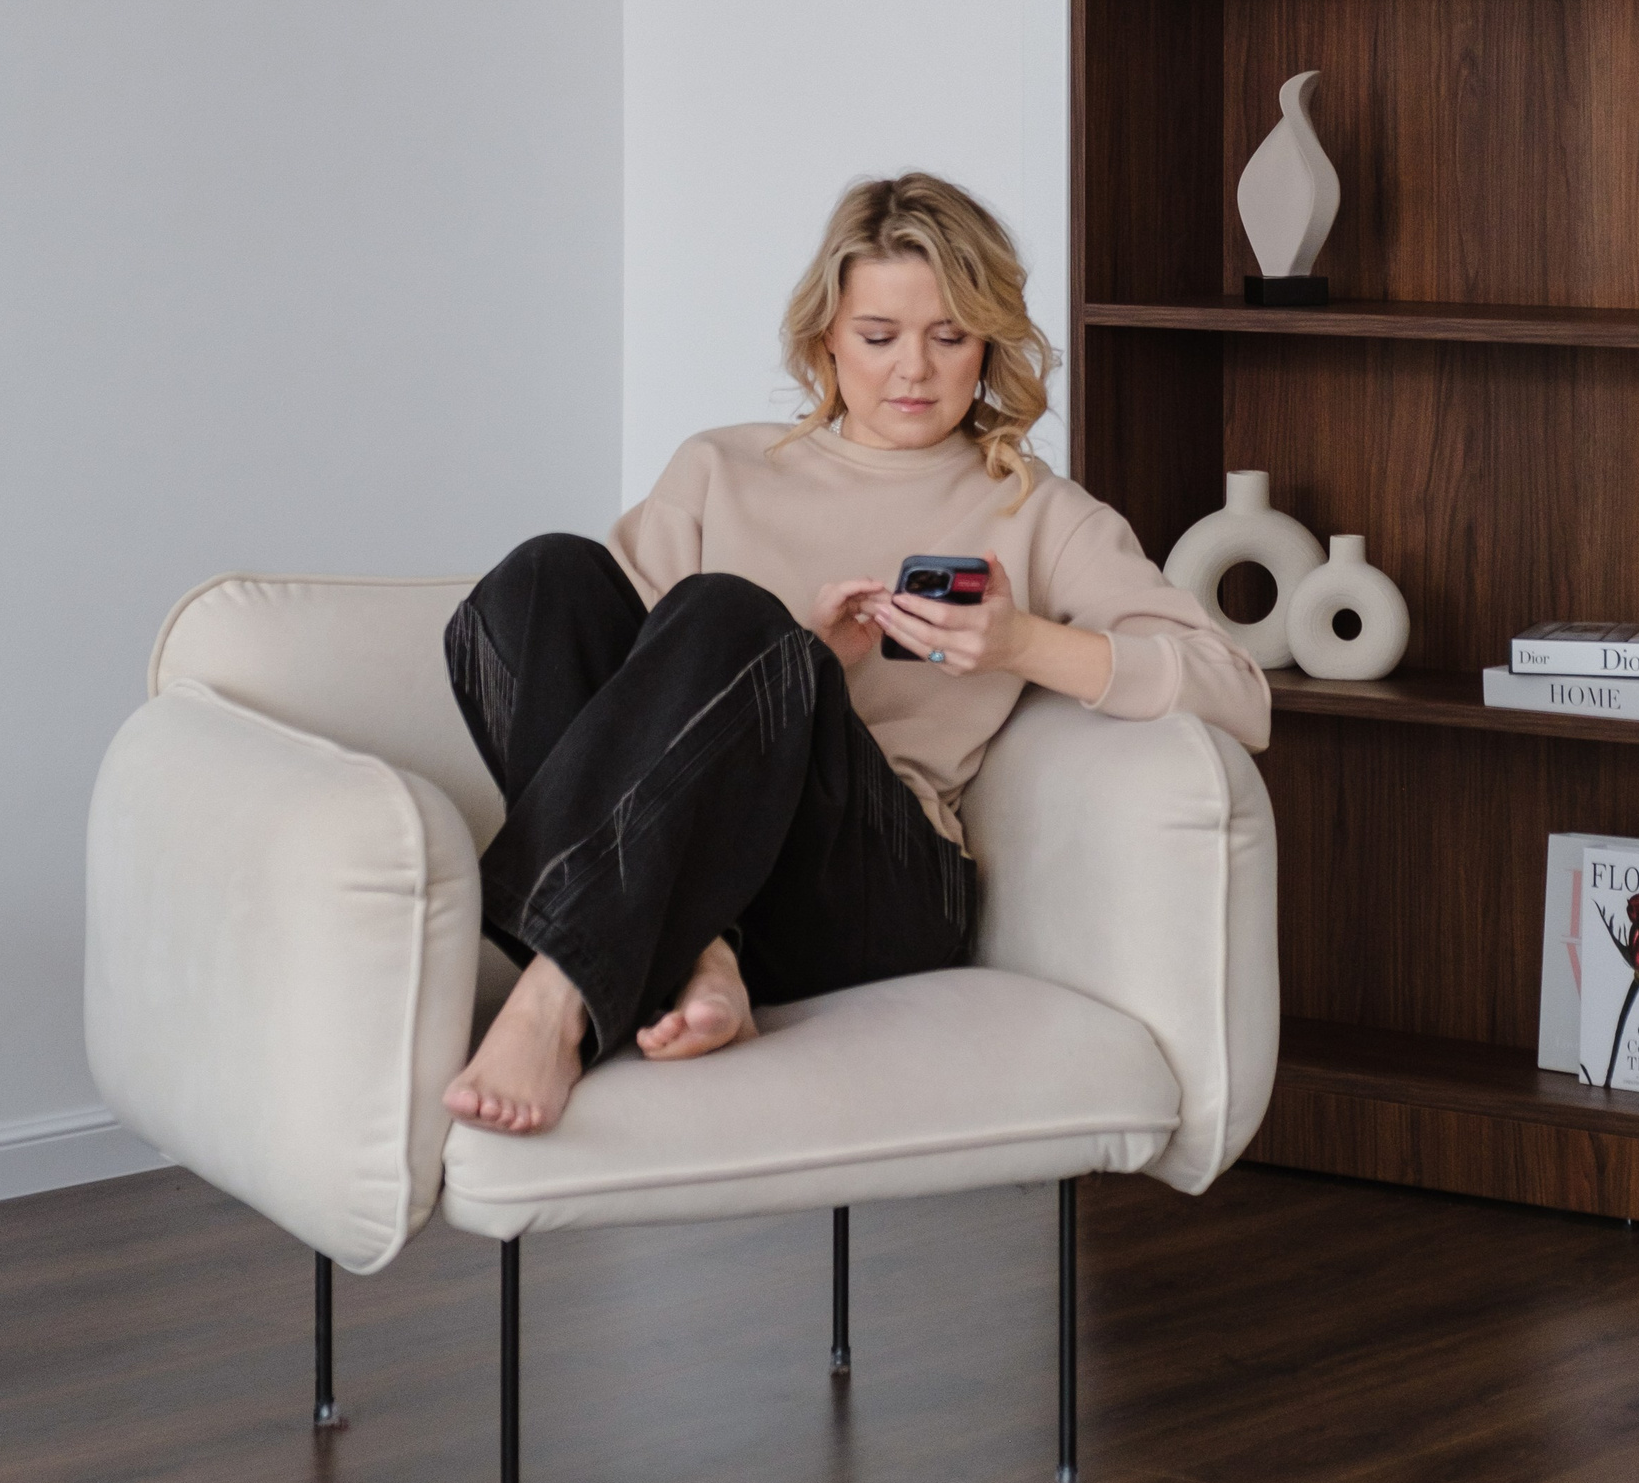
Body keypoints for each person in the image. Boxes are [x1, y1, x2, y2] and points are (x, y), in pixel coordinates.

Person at [439, 172, 1271, 1135]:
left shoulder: (1039, 510)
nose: (913, 371)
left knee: (727, 612)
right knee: (542, 577)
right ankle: (705, 950)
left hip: (881, 887)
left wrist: (1023, 642)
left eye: (949, 337)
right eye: (879, 337)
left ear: (988, 343)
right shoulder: (719, 468)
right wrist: (798, 665)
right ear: (826, 337)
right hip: (720, 870)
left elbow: (1240, 695)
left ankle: (556, 994)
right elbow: (601, 697)